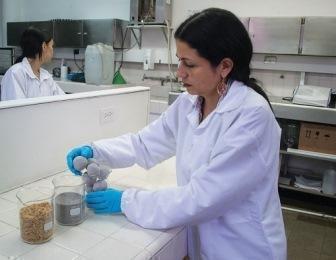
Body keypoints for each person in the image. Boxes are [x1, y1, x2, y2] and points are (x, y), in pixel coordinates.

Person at [67, 8, 287, 260]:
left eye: (190, 64)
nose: (179, 72)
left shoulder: (250, 117)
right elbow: (144, 144)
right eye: (179, 60)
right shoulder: (189, 103)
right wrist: (97, 151)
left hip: (243, 249)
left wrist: (126, 201)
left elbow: (202, 197)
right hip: (203, 243)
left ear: (224, 66)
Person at [1, 27, 64, 101]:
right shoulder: (15, 74)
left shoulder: (46, 76)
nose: (53, 50)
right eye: (51, 46)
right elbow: (17, 109)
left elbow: (63, 99)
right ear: (44, 46)